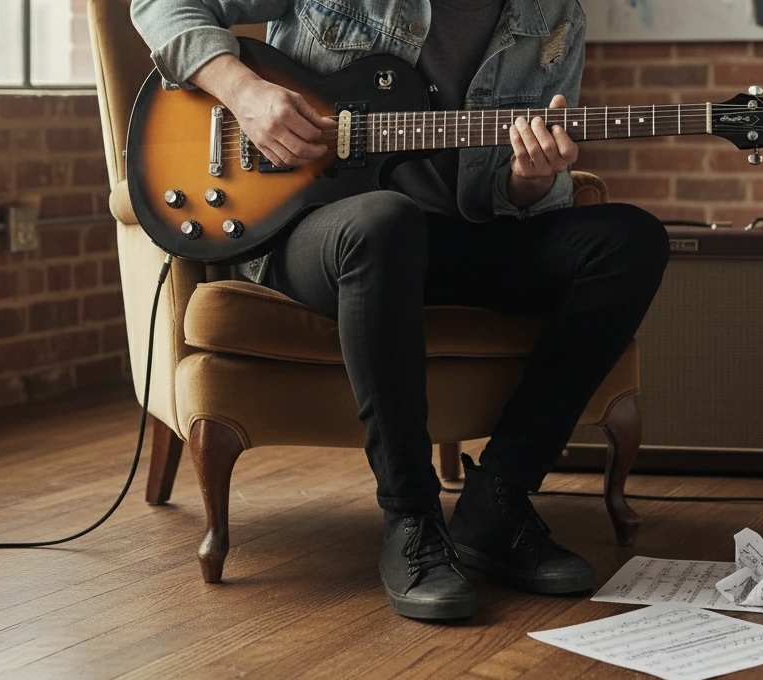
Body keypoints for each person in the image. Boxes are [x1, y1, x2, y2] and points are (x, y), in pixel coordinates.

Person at [130, 0, 669, 621]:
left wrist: (529, 176)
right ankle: (412, 520)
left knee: (630, 240)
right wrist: (245, 91)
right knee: (387, 220)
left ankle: (499, 499)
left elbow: (520, 197)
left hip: (452, 240)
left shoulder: (554, 18)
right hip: (318, 232)